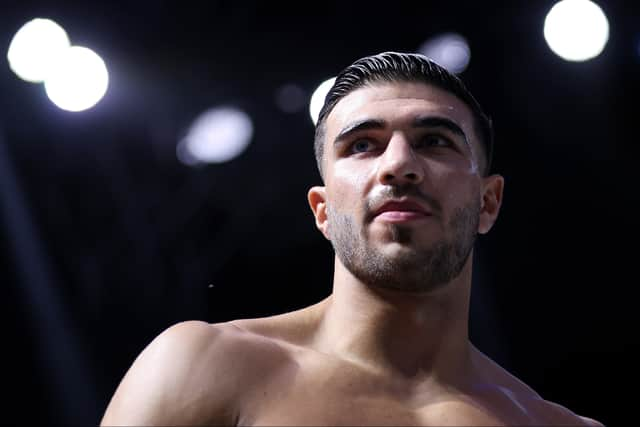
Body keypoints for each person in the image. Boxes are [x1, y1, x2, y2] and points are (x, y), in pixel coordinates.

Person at [100, 51, 603, 426]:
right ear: (322, 210)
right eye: (362, 145)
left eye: (434, 141)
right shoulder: (203, 365)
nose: (399, 165)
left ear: (488, 203)